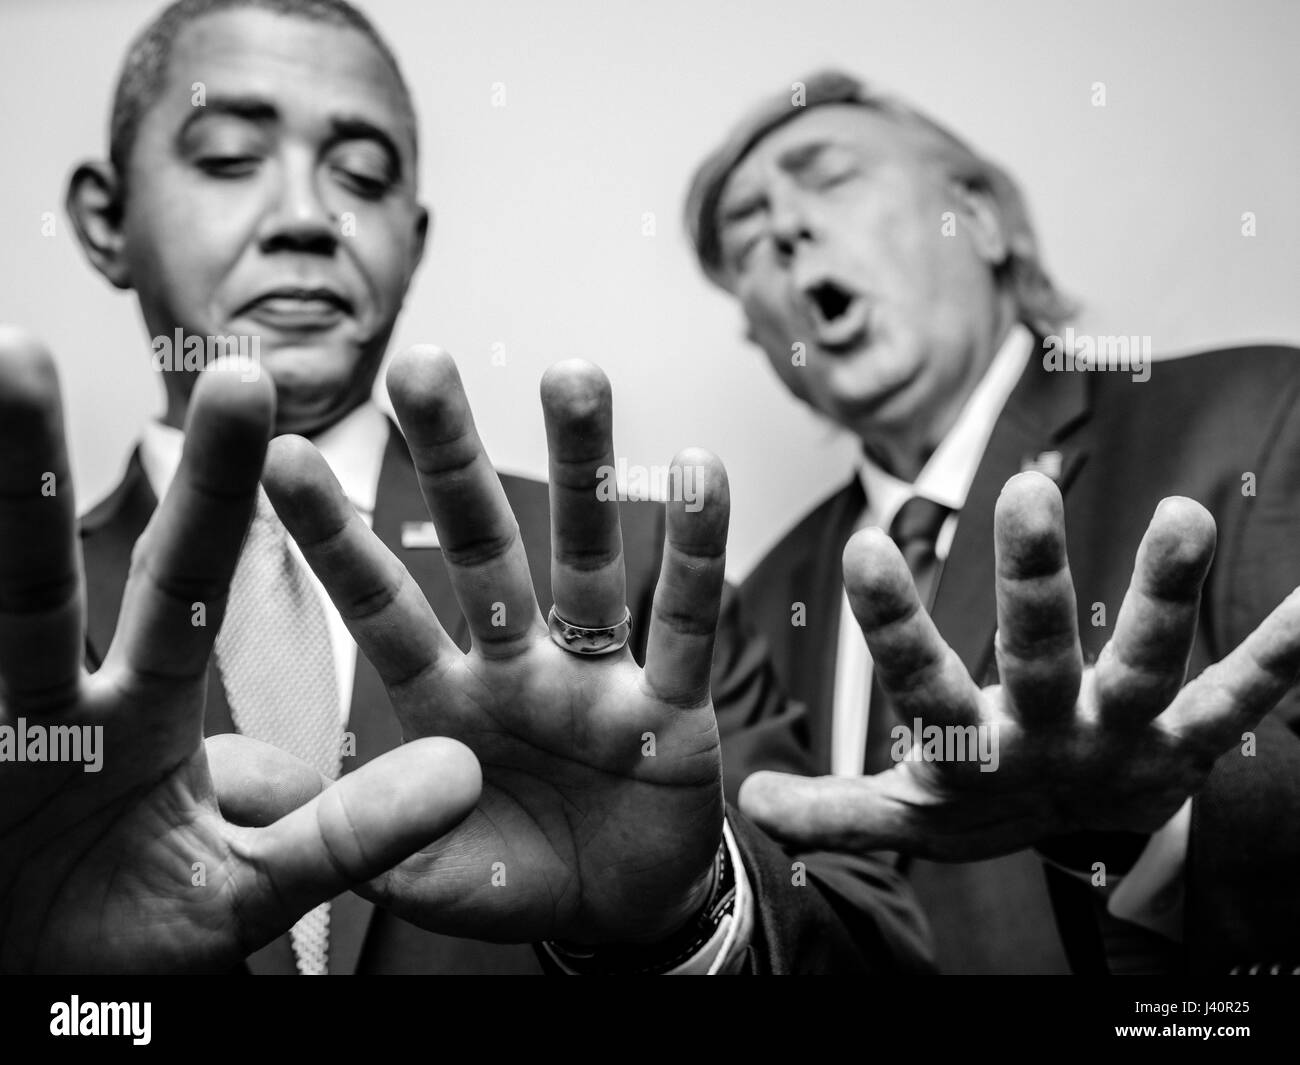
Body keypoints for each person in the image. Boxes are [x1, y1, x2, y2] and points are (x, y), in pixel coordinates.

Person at [0, 0, 931, 975]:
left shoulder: (637, 575)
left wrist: (691, 915)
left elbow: (880, 944)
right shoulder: (21, 627)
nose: (311, 217)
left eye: (362, 175)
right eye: (230, 156)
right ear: (107, 221)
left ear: (415, 234)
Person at [684, 70, 1300, 974]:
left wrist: (1151, 829)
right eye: (746, 238)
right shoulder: (761, 606)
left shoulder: (1260, 415)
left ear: (979, 217)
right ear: (760, 337)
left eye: (828, 176)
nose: (783, 228)